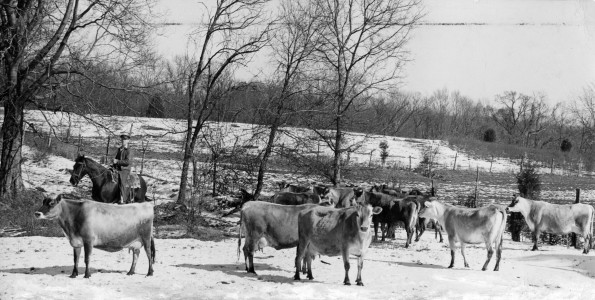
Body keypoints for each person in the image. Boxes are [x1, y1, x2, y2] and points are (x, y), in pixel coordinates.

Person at [113, 133, 132, 204]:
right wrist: (113, 163)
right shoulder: (120, 149)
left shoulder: (129, 150)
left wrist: (117, 161)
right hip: (118, 168)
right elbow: (116, 159)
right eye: (122, 139)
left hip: (125, 169)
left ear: (128, 141)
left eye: (125, 139)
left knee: (122, 181)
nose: (123, 141)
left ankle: (123, 199)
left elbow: (127, 162)